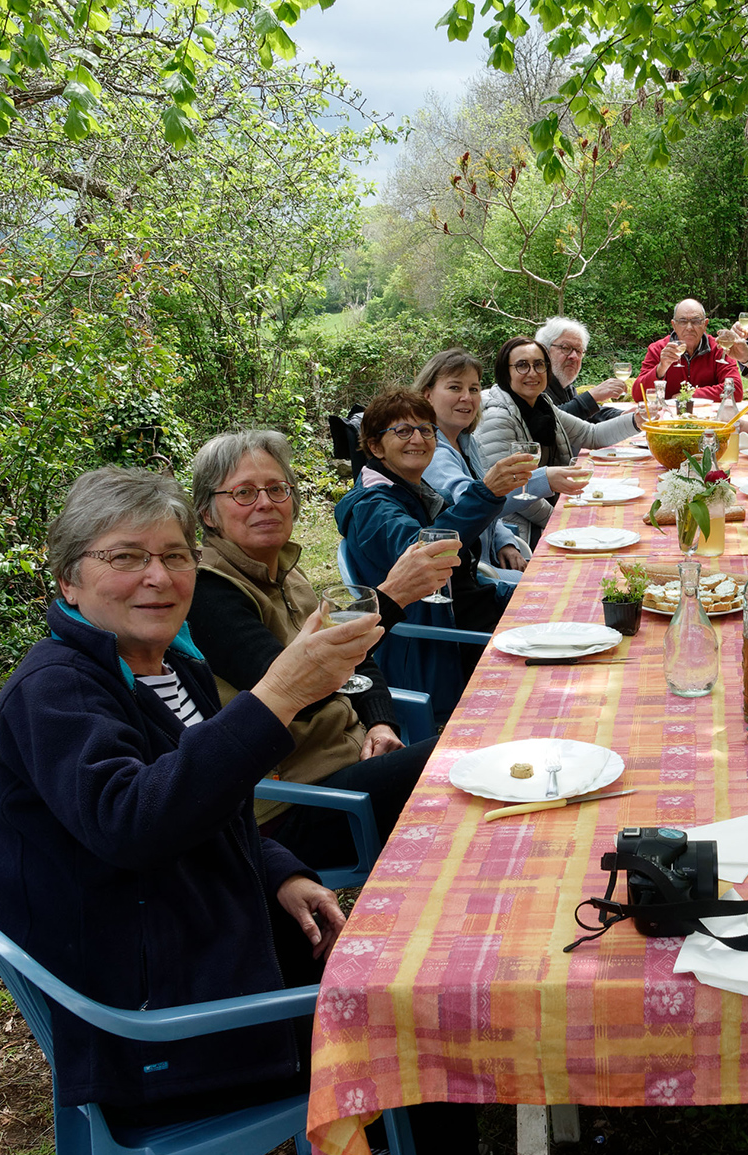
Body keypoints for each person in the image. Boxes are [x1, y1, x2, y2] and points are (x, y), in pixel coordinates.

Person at [0, 467, 511, 1155]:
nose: (158, 577)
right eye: (126, 557)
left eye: (175, 555)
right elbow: (135, 821)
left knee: (411, 939)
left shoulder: (165, 666)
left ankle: (422, 1152)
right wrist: (276, 697)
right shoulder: (56, 692)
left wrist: (279, 871)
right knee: (414, 991)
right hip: (158, 1021)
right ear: (67, 577)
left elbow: (208, 807)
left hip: (198, 932)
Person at [186, 429, 442, 872]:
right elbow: (298, 685)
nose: (265, 503)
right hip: (292, 805)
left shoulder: (285, 570)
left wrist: (381, 722)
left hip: (355, 764)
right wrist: (391, 598)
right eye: (243, 493)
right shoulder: (208, 591)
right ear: (208, 514)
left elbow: (360, 660)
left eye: (277, 489)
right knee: (460, 762)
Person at [337, 387, 534, 715]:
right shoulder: (373, 506)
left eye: (426, 430)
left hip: (468, 613)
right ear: (375, 446)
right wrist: (486, 492)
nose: (418, 439)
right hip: (437, 640)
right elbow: (424, 551)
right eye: (402, 431)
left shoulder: (417, 490)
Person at [470, 336, 637, 547]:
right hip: (519, 533)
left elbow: (590, 435)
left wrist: (636, 421)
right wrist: (561, 521)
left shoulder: (541, 404)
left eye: (539, 365)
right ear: (506, 372)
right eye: (522, 366)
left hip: (551, 512)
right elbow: (513, 493)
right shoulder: (497, 417)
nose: (532, 373)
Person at [415, 347, 535, 576]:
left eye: (474, 388)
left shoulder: (467, 442)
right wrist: (543, 479)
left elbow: (486, 507)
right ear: (427, 395)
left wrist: (505, 541)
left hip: (489, 561)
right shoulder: (431, 452)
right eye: (454, 387)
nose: (467, 397)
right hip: (466, 574)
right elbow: (472, 501)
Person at [635, 298, 743, 399]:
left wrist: (690, 395)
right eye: (682, 321)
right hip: (669, 417)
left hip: (708, 417)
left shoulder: (719, 349)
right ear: (674, 325)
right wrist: (661, 368)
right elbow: (638, 395)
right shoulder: (658, 349)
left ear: (705, 324)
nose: (689, 328)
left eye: (696, 321)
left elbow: (736, 390)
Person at [536, 316, 626, 422]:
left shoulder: (565, 387)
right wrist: (592, 396)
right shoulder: (534, 384)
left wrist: (623, 415)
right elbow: (551, 421)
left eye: (579, 350)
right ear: (544, 351)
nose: (574, 356)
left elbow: (588, 415)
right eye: (565, 348)